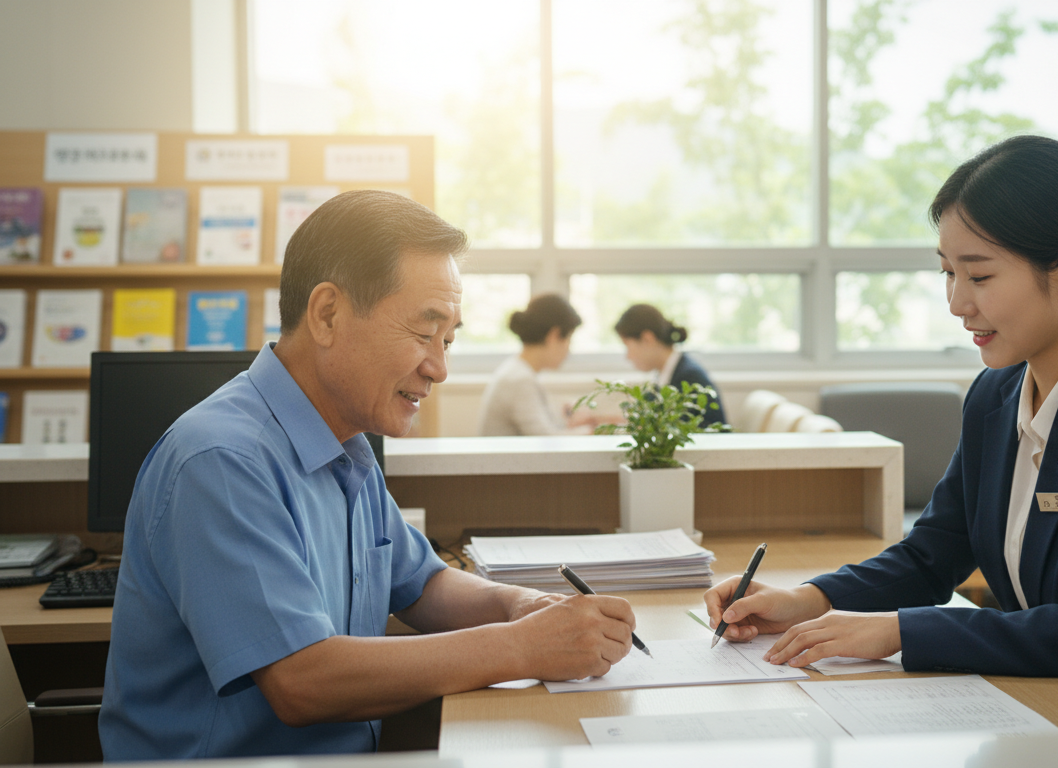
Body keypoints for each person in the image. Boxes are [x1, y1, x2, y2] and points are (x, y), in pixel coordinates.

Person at [703, 136, 1058, 724]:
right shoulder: (996, 396)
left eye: (979, 276)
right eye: (948, 273)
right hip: (1056, 712)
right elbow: (932, 555)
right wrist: (806, 601)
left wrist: (897, 631)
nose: (955, 301)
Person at [100, 191, 636, 760]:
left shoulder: (345, 443)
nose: (440, 368)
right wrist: (522, 647)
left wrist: (519, 606)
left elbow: (422, 584)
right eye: (424, 332)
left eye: (448, 340)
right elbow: (303, 680)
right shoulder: (221, 459)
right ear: (328, 314)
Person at [478, 293, 591, 436]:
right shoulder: (519, 380)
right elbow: (546, 440)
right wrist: (594, 432)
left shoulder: (517, 370)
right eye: (569, 338)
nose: (569, 349)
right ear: (554, 335)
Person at [615, 303, 726, 427]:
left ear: (647, 339)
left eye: (627, 345)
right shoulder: (665, 374)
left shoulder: (689, 377)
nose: (628, 356)